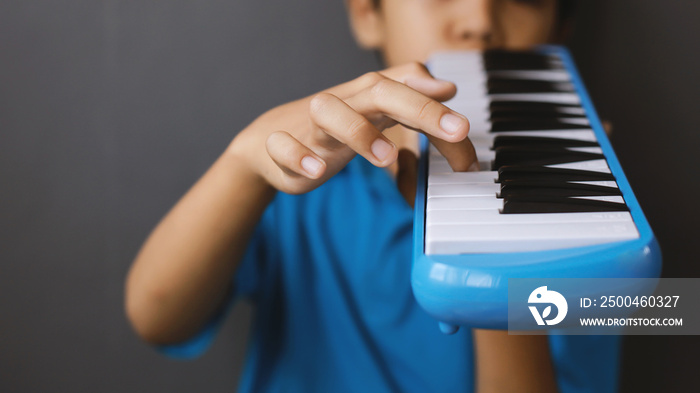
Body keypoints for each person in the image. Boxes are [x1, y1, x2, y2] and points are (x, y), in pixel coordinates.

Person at [125, 0, 620, 391]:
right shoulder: (306, 188)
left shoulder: (598, 230)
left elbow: (674, 311)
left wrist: (494, 254)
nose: (479, 20)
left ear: (559, 31)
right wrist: (243, 164)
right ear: (367, 13)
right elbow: (158, 318)